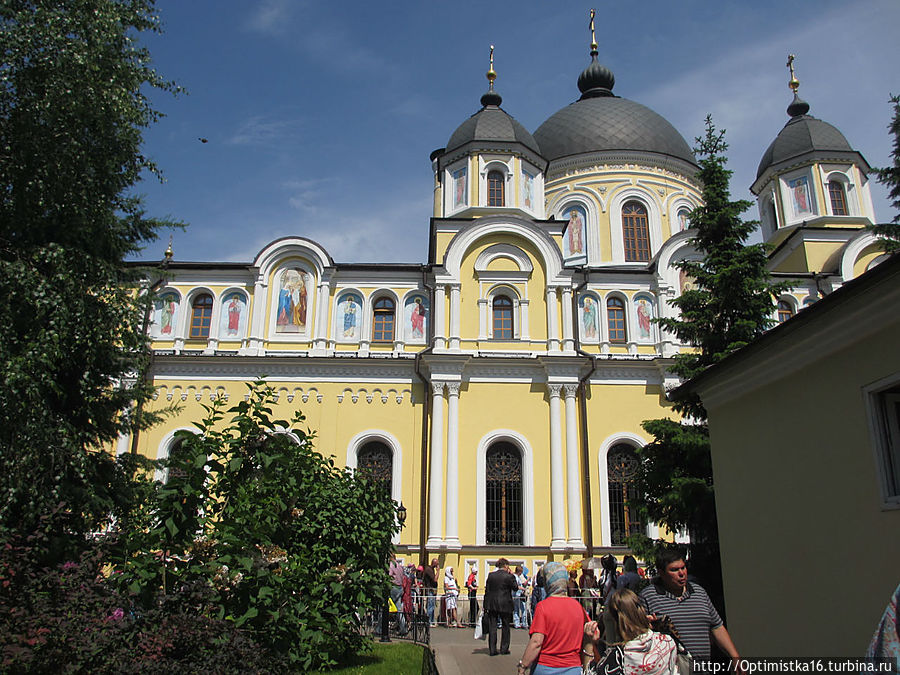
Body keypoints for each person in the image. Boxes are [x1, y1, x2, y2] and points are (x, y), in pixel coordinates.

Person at [639, 548, 740, 664]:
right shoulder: (648, 596)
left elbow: (716, 626)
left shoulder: (699, 592)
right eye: (674, 570)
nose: (681, 573)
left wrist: (735, 656)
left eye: (683, 568)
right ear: (662, 573)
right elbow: (639, 633)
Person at [517, 561, 593, 675]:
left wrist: (523, 666)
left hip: (546, 667)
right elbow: (589, 632)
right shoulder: (577, 606)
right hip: (573, 668)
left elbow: (537, 642)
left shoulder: (543, 607)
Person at [585, 588, 678, 675]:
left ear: (614, 621)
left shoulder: (618, 656)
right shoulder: (667, 642)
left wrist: (589, 643)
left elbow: (591, 672)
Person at [484, 557, 517, 656]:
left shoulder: (491, 575)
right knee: (505, 626)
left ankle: (492, 650)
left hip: (492, 604)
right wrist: (512, 575)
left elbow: (487, 590)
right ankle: (504, 648)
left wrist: (485, 605)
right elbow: (515, 587)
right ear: (506, 566)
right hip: (505, 603)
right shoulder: (509, 576)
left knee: (492, 627)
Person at [422, 557, 439, 626]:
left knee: (432, 605)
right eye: (437, 564)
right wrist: (438, 571)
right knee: (430, 606)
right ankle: (429, 621)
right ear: (434, 563)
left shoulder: (431, 569)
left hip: (432, 590)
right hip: (430, 590)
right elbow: (435, 579)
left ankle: (431, 621)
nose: (437, 565)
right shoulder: (428, 569)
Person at [513, 565, 528, 629]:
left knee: (516, 609)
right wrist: (523, 589)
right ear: (519, 572)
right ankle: (523, 623)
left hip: (516, 595)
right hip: (518, 595)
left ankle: (517, 623)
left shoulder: (515, 577)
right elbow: (516, 586)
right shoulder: (516, 577)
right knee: (523, 609)